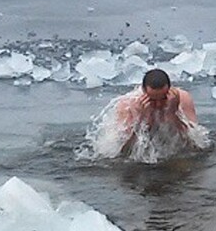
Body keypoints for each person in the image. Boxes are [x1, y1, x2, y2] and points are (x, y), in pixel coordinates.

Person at [78, 68, 208, 163]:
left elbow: (197, 145)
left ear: (169, 91)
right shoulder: (127, 105)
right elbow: (119, 151)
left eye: (162, 99)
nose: (158, 104)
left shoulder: (182, 99)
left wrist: (173, 114)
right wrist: (141, 118)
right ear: (144, 91)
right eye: (152, 99)